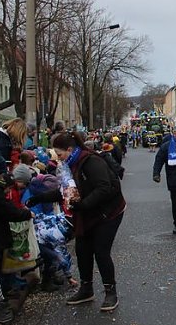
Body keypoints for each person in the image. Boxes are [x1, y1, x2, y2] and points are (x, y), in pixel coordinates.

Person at [51, 131, 126, 311]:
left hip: (109, 212)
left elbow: (104, 188)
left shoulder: (91, 162)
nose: (59, 159)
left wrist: (83, 205)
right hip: (88, 212)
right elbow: (66, 191)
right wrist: (38, 199)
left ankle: (110, 292)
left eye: (60, 154)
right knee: (82, 249)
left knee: (101, 251)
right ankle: (86, 289)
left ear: (70, 149)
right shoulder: (70, 164)